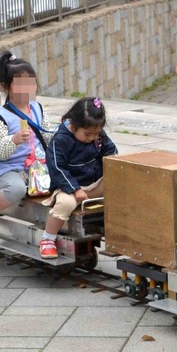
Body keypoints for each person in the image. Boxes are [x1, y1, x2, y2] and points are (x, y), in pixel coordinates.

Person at [0, 53, 51, 243]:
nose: (27, 89)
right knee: (17, 188)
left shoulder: (37, 108)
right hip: (10, 170)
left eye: (31, 83)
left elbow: (47, 135)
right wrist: (14, 140)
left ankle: (50, 232)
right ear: (6, 86)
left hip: (37, 168)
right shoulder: (1, 116)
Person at [40, 97, 117, 259]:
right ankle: (48, 238)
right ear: (73, 125)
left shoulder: (98, 136)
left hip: (93, 185)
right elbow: (57, 168)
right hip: (68, 187)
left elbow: (110, 152)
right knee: (64, 204)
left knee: (120, 185)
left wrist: (114, 165)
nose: (92, 138)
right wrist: (74, 189)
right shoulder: (60, 140)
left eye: (96, 134)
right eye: (88, 134)